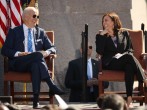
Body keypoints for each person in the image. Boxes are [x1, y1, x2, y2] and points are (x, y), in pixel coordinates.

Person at [1, 7, 64, 108]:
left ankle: (36, 101)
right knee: (38, 56)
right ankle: (51, 85)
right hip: (19, 63)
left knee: (36, 62)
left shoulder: (41, 32)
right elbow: (4, 50)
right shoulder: (15, 31)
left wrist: (46, 52)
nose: (36, 18)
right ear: (25, 17)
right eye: (34, 16)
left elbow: (53, 48)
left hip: (35, 62)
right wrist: (18, 53)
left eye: (37, 16)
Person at [95, 12, 147, 107]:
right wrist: (102, 35)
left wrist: (121, 55)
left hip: (123, 60)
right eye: (103, 21)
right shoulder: (100, 35)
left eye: (106, 20)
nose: (104, 22)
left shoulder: (124, 33)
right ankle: (144, 79)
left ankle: (129, 98)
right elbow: (99, 52)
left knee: (129, 66)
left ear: (113, 22)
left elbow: (130, 50)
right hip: (110, 62)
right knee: (129, 58)